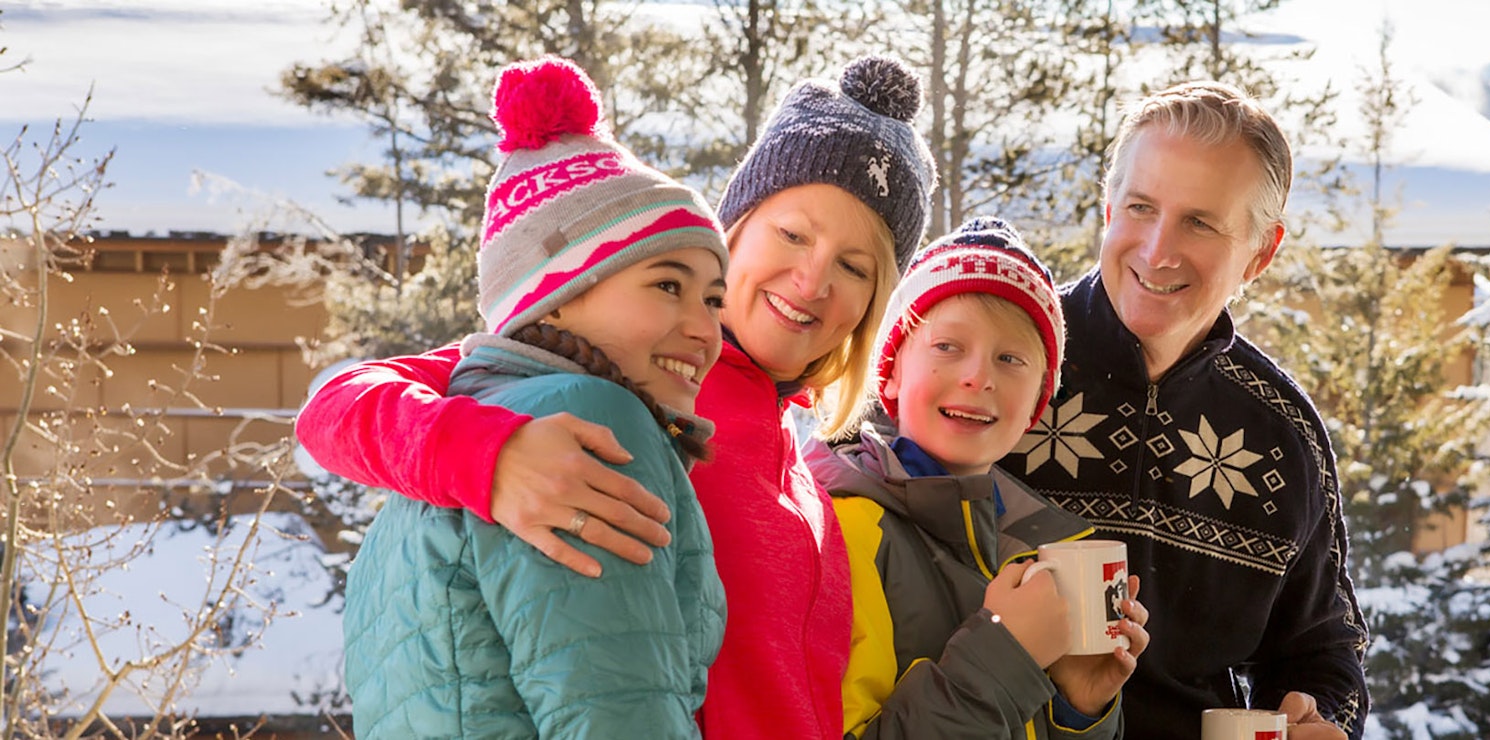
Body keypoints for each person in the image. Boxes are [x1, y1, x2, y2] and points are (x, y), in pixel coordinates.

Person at [301, 56, 936, 739]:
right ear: (735, 228)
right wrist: (494, 455)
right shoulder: (620, 375)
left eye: (854, 266)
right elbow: (338, 404)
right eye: (793, 234)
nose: (813, 280)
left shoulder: (803, 459)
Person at [341, 57, 727, 737]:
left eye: (714, 298)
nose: (705, 329)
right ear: (555, 299)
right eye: (668, 285)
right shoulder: (586, 421)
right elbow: (618, 716)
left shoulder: (423, 480)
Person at [1002, 82, 1370, 739]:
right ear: (1109, 206)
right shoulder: (997, 363)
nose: (1157, 249)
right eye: (1142, 208)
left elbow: (1321, 649)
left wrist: (1320, 720)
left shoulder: (1283, 433)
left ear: (1262, 252)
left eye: (1199, 222)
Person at [807, 218, 1149, 739]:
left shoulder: (1045, 547)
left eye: (1010, 359)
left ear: (1037, 401)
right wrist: (1004, 653)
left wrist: (1079, 710)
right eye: (947, 347)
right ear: (893, 371)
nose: (978, 377)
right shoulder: (847, 531)